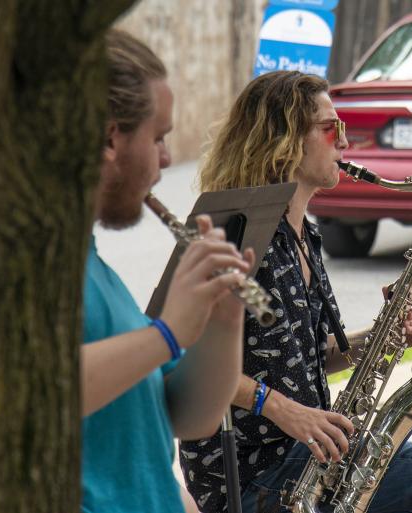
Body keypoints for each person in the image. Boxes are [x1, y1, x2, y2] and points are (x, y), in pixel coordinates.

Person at [180, 70, 412, 513]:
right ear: (285, 138)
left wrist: (381, 335)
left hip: (307, 454)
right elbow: (190, 358)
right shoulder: (236, 231)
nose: (345, 142)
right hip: (249, 470)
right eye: (332, 129)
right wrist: (283, 409)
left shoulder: (305, 234)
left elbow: (310, 356)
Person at [80, 29, 253, 513]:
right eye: (157, 137)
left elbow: (190, 415)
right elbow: (37, 391)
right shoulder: (32, 266)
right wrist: (168, 332)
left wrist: (224, 321)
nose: (167, 159)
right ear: (110, 137)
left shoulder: (96, 266)